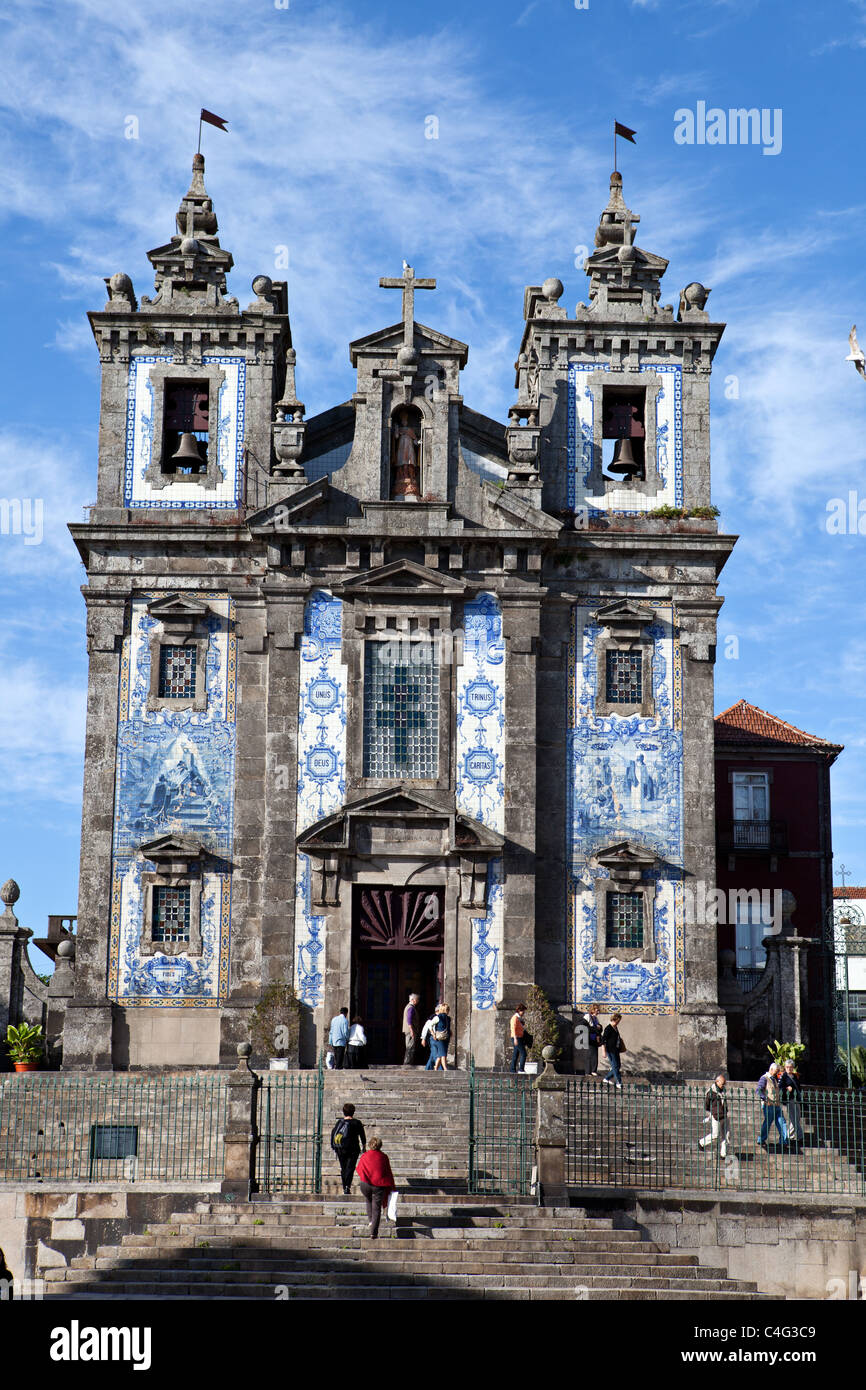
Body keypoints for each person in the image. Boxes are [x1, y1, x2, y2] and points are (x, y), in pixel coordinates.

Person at [355, 1136, 396, 1238]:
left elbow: (359, 1168)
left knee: (368, 1200)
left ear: (370, 1145)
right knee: (376, 1208)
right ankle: (374, 1232)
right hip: (379, 1184)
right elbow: (388, 1172)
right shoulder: (384, 1157)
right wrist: (392, 1186)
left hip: (365, 1184)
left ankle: (370, 1221)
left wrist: (365, 1177)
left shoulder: (365, 1155)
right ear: (380, 1146)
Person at [330, 1102, 366, 1195]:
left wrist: (334, 1146)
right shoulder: (357, 1123)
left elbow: (334, 1133)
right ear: (353, 1112)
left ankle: (345, 1186)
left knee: (344, 1168)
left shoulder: (340, 1122)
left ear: (344, 1112)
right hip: (353, 1149)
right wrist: (364, 1146)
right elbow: (362, 1135)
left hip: (341, 1148)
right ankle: (347, 1186)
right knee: (350, 1168)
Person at [756, 1062, 788, 1149]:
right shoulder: (764, 1078)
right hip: (768, 1105)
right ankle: (761, 1139)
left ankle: (784, 1141)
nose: (777, 1073)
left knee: (782, 1122)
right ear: (771, 1069)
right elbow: (758, 1090)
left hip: (777, 1105)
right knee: (768, 1123)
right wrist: (765, 1099)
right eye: (776, 1071)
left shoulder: (774, 1079)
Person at [699, 1073, 731, 1158]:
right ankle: (701, 1143)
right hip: (716, 1116)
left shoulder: (723, 1090)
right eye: (722, 1083)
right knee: (715, 1135)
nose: (724, 1085)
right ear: (717, 1082)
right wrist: (713, 1112)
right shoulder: (711, 1092)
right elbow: (706, 1105)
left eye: (724, 1083)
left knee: (726, 1135)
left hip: (724, 1115)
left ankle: (723, 1154)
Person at [779, 1059, 804, 1144]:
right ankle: (800, 1136)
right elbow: (780, 1087)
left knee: (797, 1117)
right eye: (787, 1067)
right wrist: (786, 1088)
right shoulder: (783, 1076)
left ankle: (789, 1135)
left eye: (790, 1067)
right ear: (785, 1068)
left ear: (793, 1068)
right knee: (794, 1117)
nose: (789, 1069)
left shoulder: (795, 1076)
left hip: (796, 1099)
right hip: (789, 1099)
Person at [601, 1013, 625, 1089]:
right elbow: (603, 1040)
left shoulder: (615, 1028)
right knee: (614, 1065)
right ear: (614, 1019)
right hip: (610, 1050)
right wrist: (603, 1051)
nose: (618, 1022)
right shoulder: (608, 1028)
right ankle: (618, 1082)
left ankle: (606, 1078)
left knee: (618, 1065)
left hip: (616, 1050)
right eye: (618, 1021)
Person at [432, 1003, 451, 1072]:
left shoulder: (448, 1018)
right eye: (447, 1009)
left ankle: (436, 1067)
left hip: (446, 1037)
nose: (448, 1010)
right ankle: (445, 1068)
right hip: (439, 1038)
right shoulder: (438, 1017)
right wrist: (433, 1034)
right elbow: (430, 1025)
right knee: (443, 1054)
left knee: (441, 1054)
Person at [402, 993, 420, 1066]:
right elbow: (409, 1020)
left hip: (409, 1030)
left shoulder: (409, 1007)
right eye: (417, 1000)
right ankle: (407, 1063)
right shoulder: (411, 1008)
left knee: (409, 1047)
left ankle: (407, 1062)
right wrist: (412, 1030)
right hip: (410, 1031)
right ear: (413, 1000)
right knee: (410, 1047)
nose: (417, 1001)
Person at [509, 1003, 528, 1073]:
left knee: (516, 1054)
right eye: (523, 1011)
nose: (523, 1013)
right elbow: (513, 1028)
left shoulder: (519, 1018)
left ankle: (512, 1069)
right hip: (517, 1038)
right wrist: (515, 1038)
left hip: (519, 1037)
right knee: (524, 1053)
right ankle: (521, 1069)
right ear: (519, 1010)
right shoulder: (515, 1018)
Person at [586, 1003, 603, 1076]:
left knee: (595, 1054)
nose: (598, 1011)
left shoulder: (596, 1018)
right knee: (590, 1054)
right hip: (589, 1038)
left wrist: (599, 1027)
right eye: (597, 1010)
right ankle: (588, 1071)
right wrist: (597, 1027)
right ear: (593, 1010)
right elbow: (586, 1027)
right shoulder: (588, 1016)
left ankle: (593, 1070)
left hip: (595, 1039)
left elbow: (598, 1028)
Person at [422, 1005, 440, 1071]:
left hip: (436, 1038)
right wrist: (423, 1038)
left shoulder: (439, 1017)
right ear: (438, 1011)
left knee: (433, 1054)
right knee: (435, 1054)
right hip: (432, 1038)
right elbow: (426, 1028)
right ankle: (440, 1069)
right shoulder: (433, 1017)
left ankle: (427, 1068)